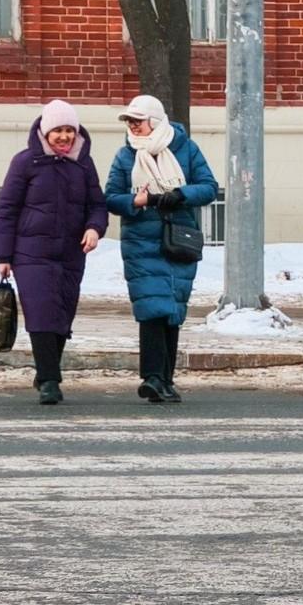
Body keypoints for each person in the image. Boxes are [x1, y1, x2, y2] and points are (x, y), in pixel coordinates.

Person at [0, 100, 108, 406]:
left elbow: (97, 205)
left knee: (62, 315)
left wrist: (94, 228)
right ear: (45, 131)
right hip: (31, 252)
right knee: (41, 312)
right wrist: (3, 256)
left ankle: (47, 368)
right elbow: (6, 211)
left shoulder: (83, 164)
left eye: (69, 130)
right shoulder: (25, 162)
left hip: (71, 252)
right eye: (58, 130)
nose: (64, 136)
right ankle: (49, 381)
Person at [104, 94, 218, 404]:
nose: (133, 127)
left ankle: (165, 380)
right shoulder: (125, 156)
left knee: (172, 309)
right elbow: (111, 197)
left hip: (178, 239)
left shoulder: (185, 148)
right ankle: (152, 377)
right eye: (129, 122)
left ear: (154, 121)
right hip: (141, 240)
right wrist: (136, 202)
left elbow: (209, 186)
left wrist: (181, 194)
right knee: (151, 307)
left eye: (137, 121)